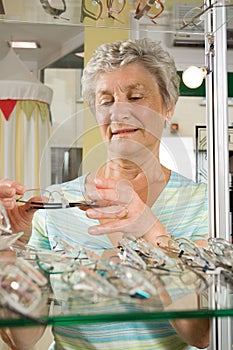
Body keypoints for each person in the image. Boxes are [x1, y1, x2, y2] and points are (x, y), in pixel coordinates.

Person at [0, 38, 209, 350]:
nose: (119, 112)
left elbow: (201, 334)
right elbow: (23, 338)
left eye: (136, 97)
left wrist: (150, 231)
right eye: (106, 101)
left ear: (168, 106)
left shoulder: (203, 203)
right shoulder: (54, 205)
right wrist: (8, 253)